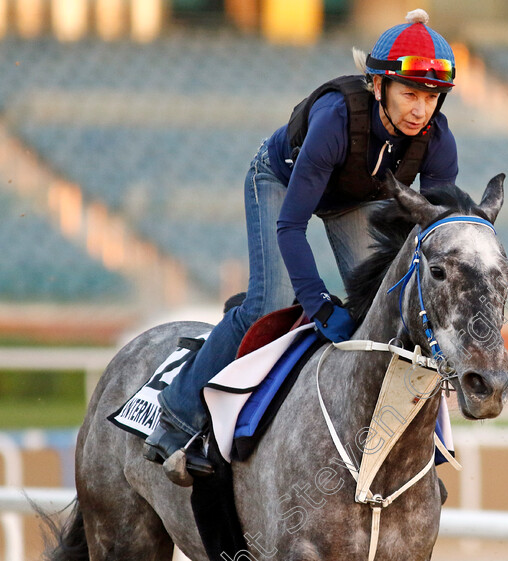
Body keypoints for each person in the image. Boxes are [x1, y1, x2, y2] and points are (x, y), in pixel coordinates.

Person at [143, 9, 459, 484]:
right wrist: (316, 304)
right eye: (409, 94)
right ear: (378, 87)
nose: (420, 110)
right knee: (269, 302)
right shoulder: (335, 119)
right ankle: (177, 415)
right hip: (279, 180)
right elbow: (291, 225)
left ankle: (403, 450)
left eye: (431, 98)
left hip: (350, 198)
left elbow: (430, 238)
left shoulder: (438, 140)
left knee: (386, 307)